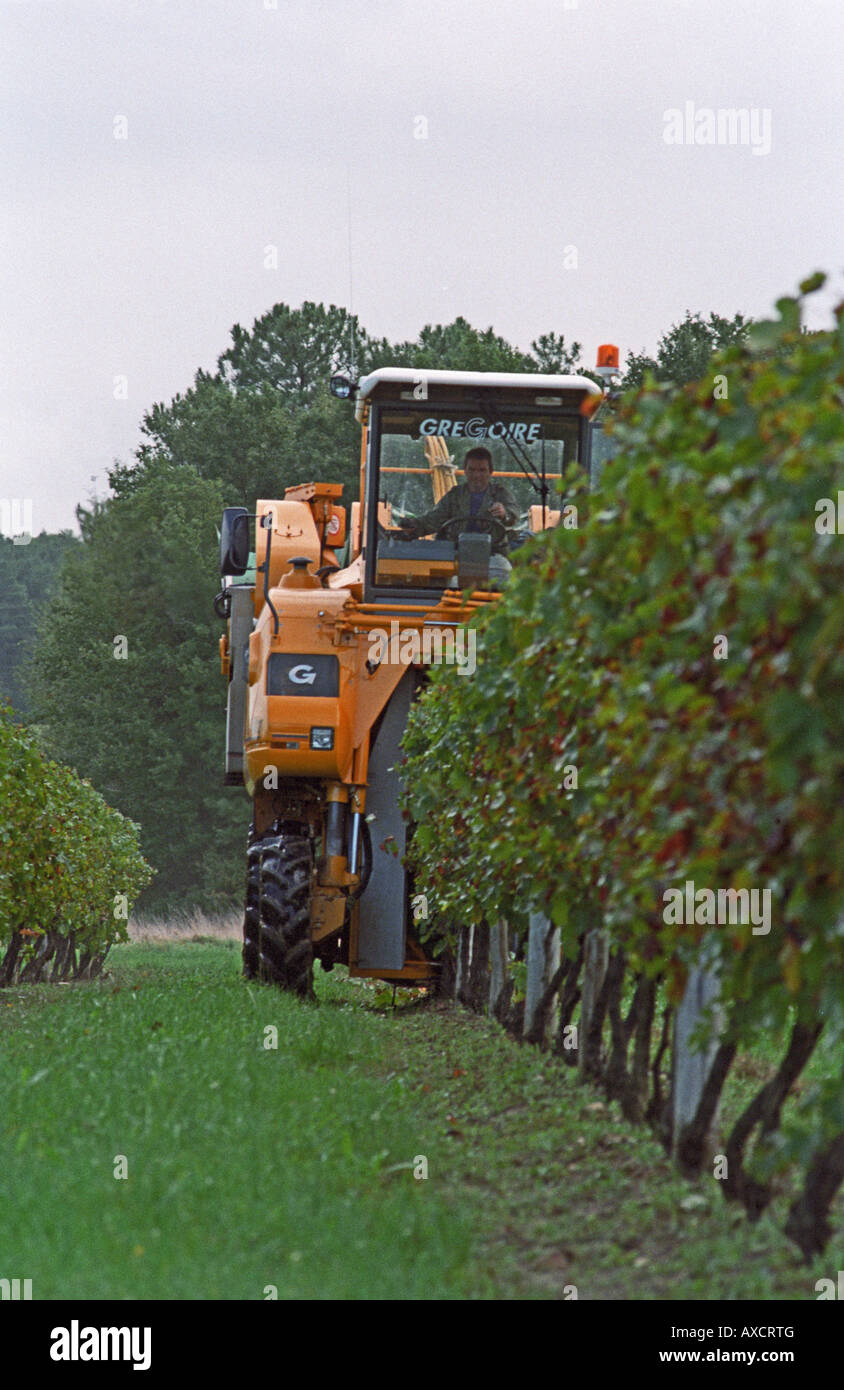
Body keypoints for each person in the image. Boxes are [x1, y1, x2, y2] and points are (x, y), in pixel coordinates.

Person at [397, 447, 519, 555]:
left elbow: (513, 515)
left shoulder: (500, 493)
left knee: (503, 573)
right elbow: (434, 519)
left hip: (493, 553)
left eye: (482, 470)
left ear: (490, 472)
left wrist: (504, 513)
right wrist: (413, 526)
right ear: (465, 471)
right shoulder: (454, 495)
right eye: (472, 470)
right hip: (456, 553)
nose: (476, 475)